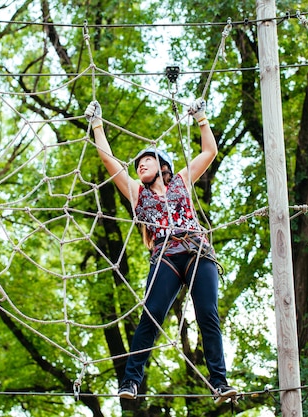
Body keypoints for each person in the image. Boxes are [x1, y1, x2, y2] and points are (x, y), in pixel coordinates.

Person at [84, 99, 236, 403]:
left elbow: (209, 152)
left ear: (162, 165)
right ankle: (130, 382)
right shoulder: (136, 192)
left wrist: (202, 119)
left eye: (147, 160)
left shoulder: (181, 180)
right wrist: (97, 126)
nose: (140, 164)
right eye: (138, 163)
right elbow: (108, 161)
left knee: (208, 313)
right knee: (152, 315)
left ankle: (219, 383)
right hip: (165, 256)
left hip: (196, 252)